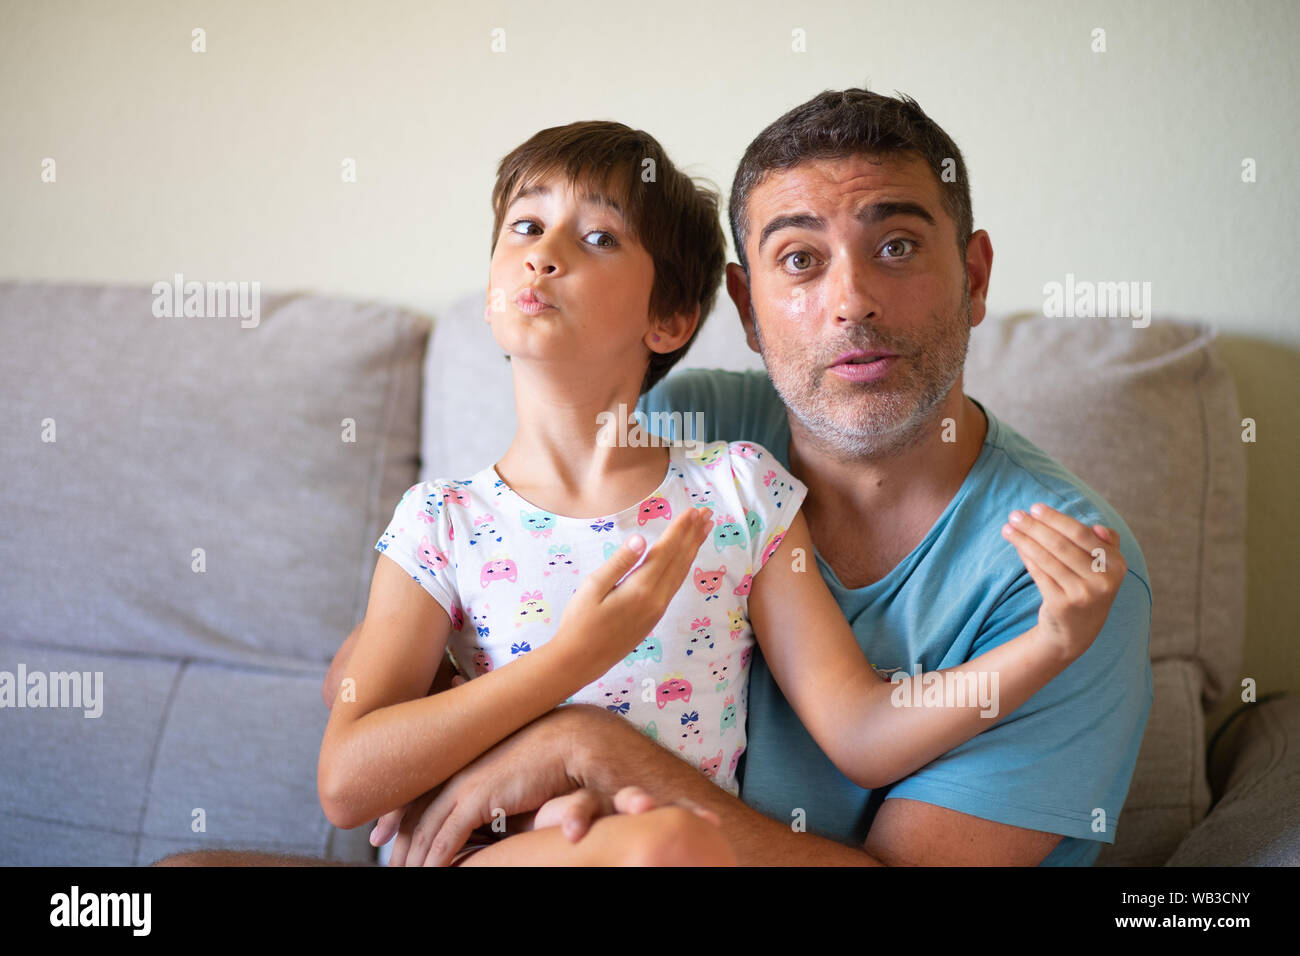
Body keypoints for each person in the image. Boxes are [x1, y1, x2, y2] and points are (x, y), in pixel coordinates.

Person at [380, 89, 1152, 868]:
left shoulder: (1066, 581)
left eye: (896, 247)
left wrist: (590, 749)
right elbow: (406, 664)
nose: (852, 303)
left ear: (975, 277)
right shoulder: (686, 432)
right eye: (800, 259)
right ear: (747, 309)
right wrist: (476, 753)